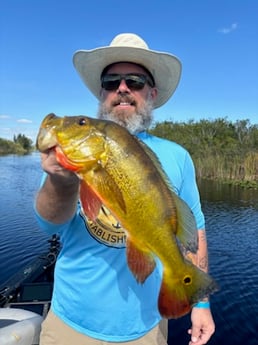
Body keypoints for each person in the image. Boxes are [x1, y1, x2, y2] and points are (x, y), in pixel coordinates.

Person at [35, 33, 215, 345]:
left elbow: (194, 231)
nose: (122, 88)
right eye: (111, 81)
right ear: (101, 93)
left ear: (152, 93)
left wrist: (200, 302)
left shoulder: (178, 156)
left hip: (147, 329)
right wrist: (61, 180)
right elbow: (49, 223)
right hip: (71, 324)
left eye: (135, 81)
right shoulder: (68, 160)